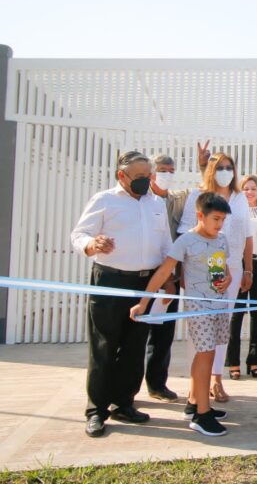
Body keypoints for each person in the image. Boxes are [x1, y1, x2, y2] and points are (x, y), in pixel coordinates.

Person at [71, 151, 173, 437]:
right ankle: (96, 410)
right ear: (122, 176)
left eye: (148, 176)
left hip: (145, 284)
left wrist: (168, 280)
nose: (146, 181)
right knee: (104, 345)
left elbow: (165, 243)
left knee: (134, 346)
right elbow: (78, 235)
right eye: (139, 177)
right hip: (109, 280)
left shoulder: (156, 203)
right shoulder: (104, 200)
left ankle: (124, 403)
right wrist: (93, 244)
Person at [131, 192, 233, 436]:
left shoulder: (221, 239)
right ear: (200, 215)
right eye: (216, 219)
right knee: (205, 353)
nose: (219, 225)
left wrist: (227, 278)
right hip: (199, 306)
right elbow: (164, 271)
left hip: (220, 303)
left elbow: (221, 269)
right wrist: (143, 303)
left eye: (223, 220)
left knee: (208, 352)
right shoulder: (186, 241)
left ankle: (195, 402)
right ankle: (202, 415)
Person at [178, 152, 253, 402]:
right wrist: (181, 273)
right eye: (220, 167)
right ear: (211, 170)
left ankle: (216, 379)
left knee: (222, 325)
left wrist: (248, 268)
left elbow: (247, 234)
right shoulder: (197, 196)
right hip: (199, 269)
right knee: (199, 327)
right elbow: (184, 231)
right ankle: (195, 385)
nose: (225, 171)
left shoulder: (241, 198)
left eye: (229, 167)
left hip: (230, 268)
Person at [143, 154, 187, 403]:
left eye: (171, 171)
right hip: (143, 275)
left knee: (162, 335)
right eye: (162, 170)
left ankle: (157, 384)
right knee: (134, 335)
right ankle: (125, 390)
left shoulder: (176, 201)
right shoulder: (141, 200)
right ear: (151, 173)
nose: (166, 174)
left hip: (169, 278)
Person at [225, 174, 257, 379]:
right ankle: (233, 361)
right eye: (246, 188)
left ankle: (254, 360)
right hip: (240, 263)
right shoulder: (235, 212)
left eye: (253, 188)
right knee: (237, 314)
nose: (250, 192)